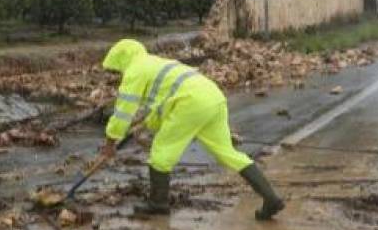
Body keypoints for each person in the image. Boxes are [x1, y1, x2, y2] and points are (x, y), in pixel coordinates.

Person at [97, 39, 284, 220]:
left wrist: (110, 142)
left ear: (122, 59)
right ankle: (271, 198)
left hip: (190, 103)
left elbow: (123, 112)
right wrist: (146, 123)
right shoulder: (155, 63)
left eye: (116, 69)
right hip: (213, 97)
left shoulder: (134, 71)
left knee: (161, 154)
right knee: (227, 153)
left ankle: (158, 204)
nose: (117, 74)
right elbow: (163, 102)